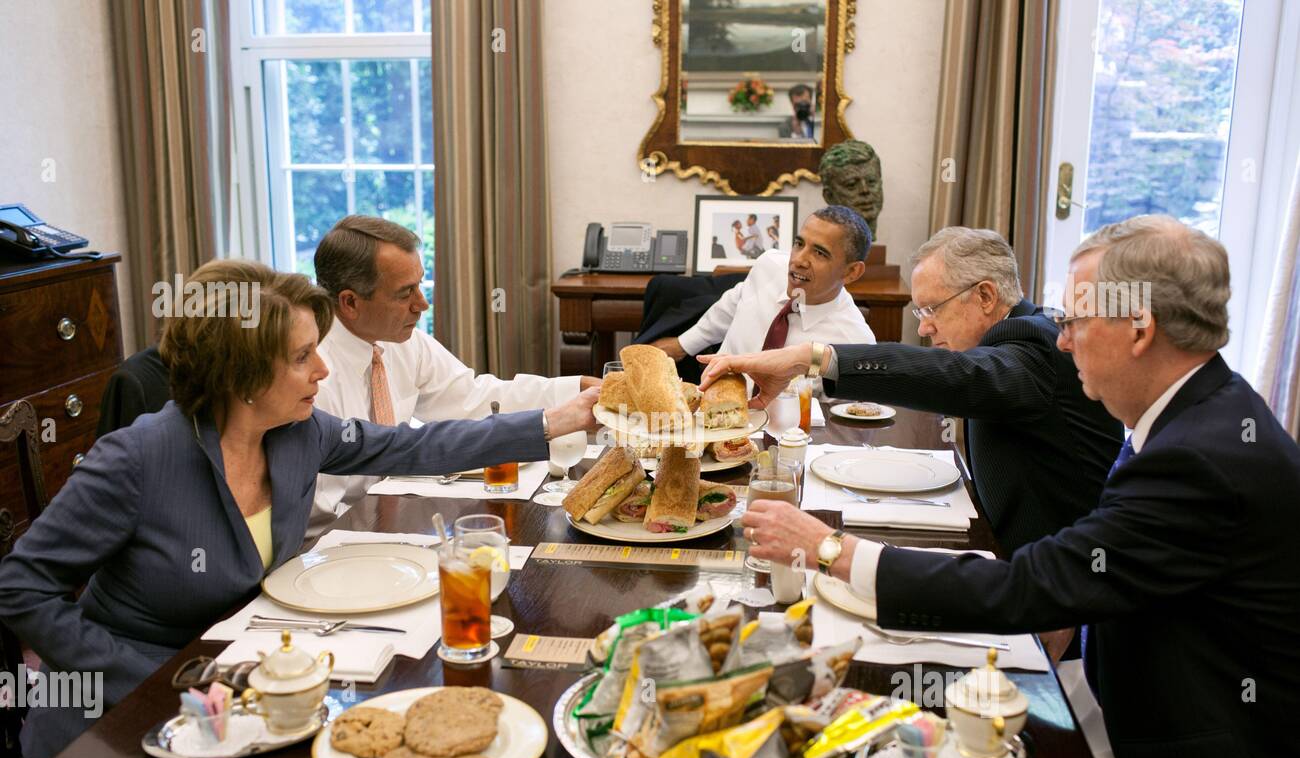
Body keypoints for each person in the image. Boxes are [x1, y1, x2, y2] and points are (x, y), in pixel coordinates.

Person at [740, 216, 1300, 758]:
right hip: (1126, 698)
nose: (1065, 342)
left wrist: (831, 549)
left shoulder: (1198, 455)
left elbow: (1032, 585)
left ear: (1139, 330)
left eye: (1078, 321)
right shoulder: (1200, 416)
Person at [0, 259, 598, 758]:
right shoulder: (136, 459)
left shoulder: (296, 432)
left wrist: (553, 421)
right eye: (302, 356)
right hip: (119, 724)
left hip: (249, 686)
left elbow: (415, 445)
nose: (323, 370)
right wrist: (149, 681)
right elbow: (21, 587)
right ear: (241, 373)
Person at [700, 227, 1123, 553]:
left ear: (986, 296)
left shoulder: (1034, 344)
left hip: (1054, 595)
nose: (923, 327)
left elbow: (959, 376)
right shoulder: (1023, 335)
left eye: (931, 309)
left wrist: (813, 356)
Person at [309, 216, 600, 536]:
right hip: (345, 544)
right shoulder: (313, 377)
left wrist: (577, 388)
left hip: (398, 518)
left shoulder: (400, 342)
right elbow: (319, 518)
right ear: (350, 302)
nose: (423, 304)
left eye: (420, 285)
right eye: (405, 293)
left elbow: (472, 398)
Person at [652, 206, 876, 362]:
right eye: (799, 244)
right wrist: (682, 345)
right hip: (714, 407)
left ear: (851, 272)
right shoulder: (770, 265)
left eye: (819, 253)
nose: (798, 260)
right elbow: (733, 303)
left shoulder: (855, 343)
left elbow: (849, 421)